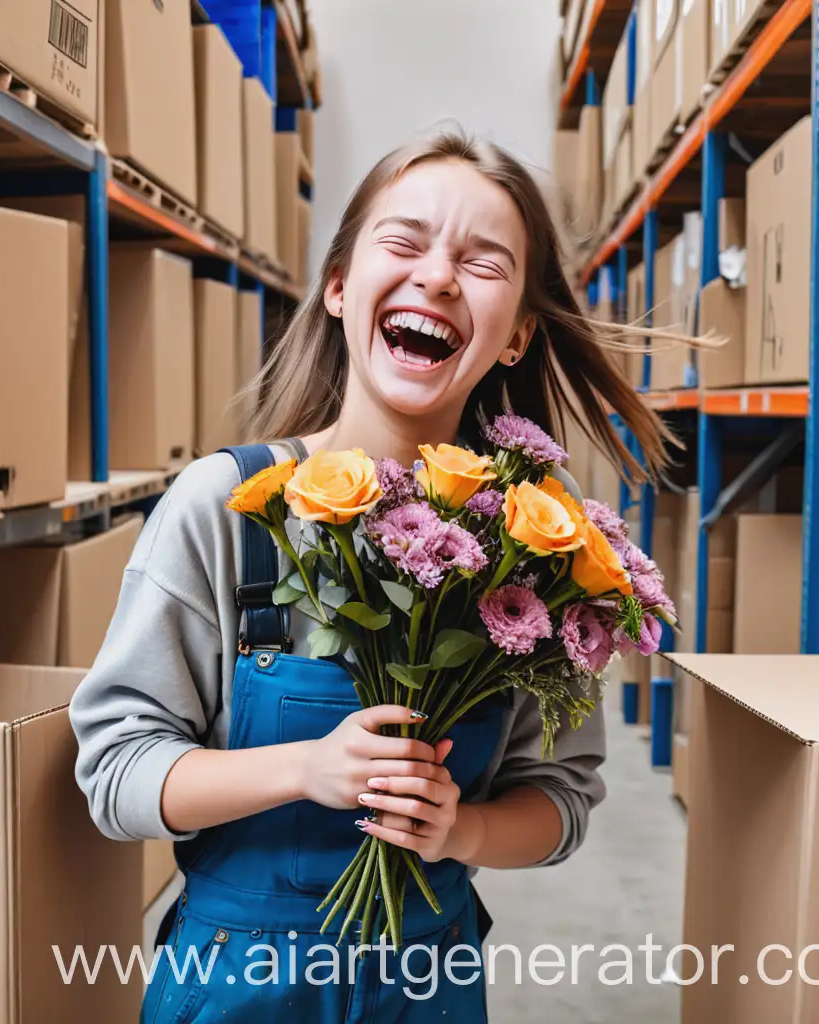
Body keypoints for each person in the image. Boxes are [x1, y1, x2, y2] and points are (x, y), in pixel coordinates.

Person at [68, 129, 675, 1023]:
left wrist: (463, 829)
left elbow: (563, 798)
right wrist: (307, 767)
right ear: (340, 287)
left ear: (517, 337)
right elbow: (116, 776)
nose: (437, 276)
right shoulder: (227, 508)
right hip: (240, 986)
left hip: (427, 988)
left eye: (484, 261)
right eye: (405, 240)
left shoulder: (540, 540)